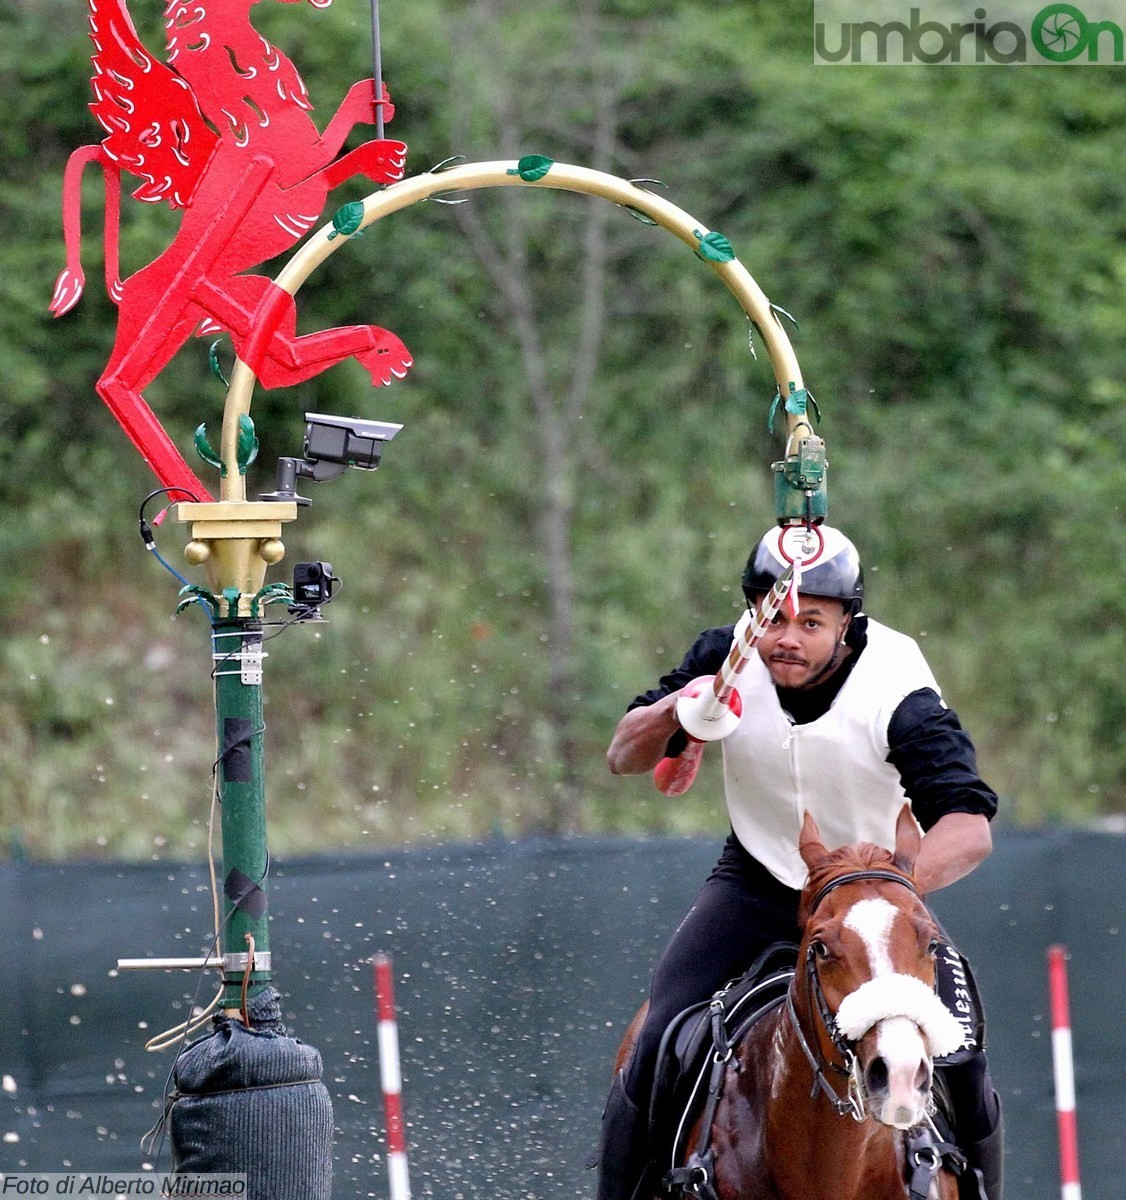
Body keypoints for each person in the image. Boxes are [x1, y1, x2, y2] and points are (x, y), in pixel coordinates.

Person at [594, 523, 1004, 1200]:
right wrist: (682, 709)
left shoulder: (898, 689)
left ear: (848, 624)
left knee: (963, 1061)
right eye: (773, 616)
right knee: (657, 1037)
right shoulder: (724, 656)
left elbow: (968, 825)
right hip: (757, 880)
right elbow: (623, 755)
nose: (786, 637)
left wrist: (890, 894)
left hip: (878, 898)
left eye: (811, 622)